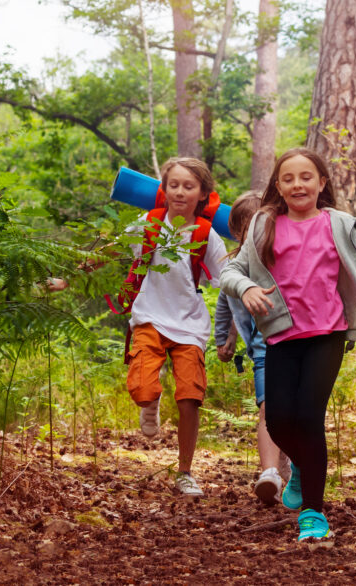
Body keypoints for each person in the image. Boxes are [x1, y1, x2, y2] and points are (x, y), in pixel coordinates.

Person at [220, 148, 356, 544]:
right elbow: (230, 271)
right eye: (288, 178)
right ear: (278, 186)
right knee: (277, 422)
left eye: (306, 177)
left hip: (327, 334)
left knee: (309, 417)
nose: (298, 184)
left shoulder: (339, 223)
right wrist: (247, 288)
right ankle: (307, 469)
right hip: (281, 336)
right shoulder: (264, 223)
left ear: (321, 183)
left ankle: (313, 511)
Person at [124, 157, 228, 497]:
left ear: (202, 194)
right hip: (149, 317)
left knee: (189, 398)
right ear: (164, 189)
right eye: (174, 185)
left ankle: (185, 472)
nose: (180, 191)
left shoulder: (205, 234)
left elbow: (227, 275)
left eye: (189, 186)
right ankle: (150, 399)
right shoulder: (148, 223)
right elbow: (111, 253)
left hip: (190, 325)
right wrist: (73, 273)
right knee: (142, 389)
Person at [214, 190, 290, 505]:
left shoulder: (284, 256)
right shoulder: (234, 267)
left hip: (296, 341)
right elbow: (225, 302)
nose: (256, 234)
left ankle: (291, 468)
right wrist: (225, 338)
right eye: (248, 228)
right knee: (268, 409)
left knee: (296, 412)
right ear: (237, 232)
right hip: (263, 346)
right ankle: (270, 472)